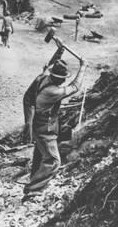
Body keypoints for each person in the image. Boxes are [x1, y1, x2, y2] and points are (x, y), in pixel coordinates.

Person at [22, 58, 87, 201]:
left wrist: (59, 52)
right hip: (45, 128)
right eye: (62, 79)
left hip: (39, 124)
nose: (63, 81)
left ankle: (34, 183)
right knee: (53, 160)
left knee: (40, 156)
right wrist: (82, 67)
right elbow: (75, 87)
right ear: (56, 78)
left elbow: (47, 67)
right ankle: (33, 189)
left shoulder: (43, 78)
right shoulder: (52, 91)